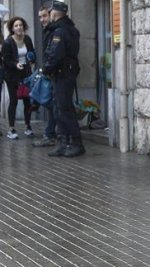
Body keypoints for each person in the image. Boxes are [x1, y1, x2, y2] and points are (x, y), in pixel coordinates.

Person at [43, 0, 84, 157]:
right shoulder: (71, 29)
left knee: (64, 109)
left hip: (62, 73)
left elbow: (55, 54)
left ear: (54, 13)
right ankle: (63, 141)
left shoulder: (60, 31)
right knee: (61, 108)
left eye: (50, 12)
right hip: (66, 72)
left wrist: (46, 69)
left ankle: (75, 142)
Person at [2, 16, 36, 140]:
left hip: (25, 74)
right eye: (16, 25)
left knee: (27, 100)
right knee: (14, 100)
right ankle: (11, 129)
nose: (19, 27)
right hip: (11, 76)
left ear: (24, 27)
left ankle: (28, 126)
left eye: (20, 25)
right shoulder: (8, 42)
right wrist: (15, 64)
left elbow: (32, 53)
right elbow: (6, 60)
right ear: (12, 28)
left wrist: (32, 60)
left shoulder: (27, 39)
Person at [33, 4, 57, 147]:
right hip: (47, 72)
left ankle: (51, 134)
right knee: (50, 104)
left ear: (50, 15)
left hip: (54, 73)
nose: (42, 19)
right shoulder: (46, 31)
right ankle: (51, 133)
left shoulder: (54, 31)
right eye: (40, 17)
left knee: (52, 104)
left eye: (44, 16)